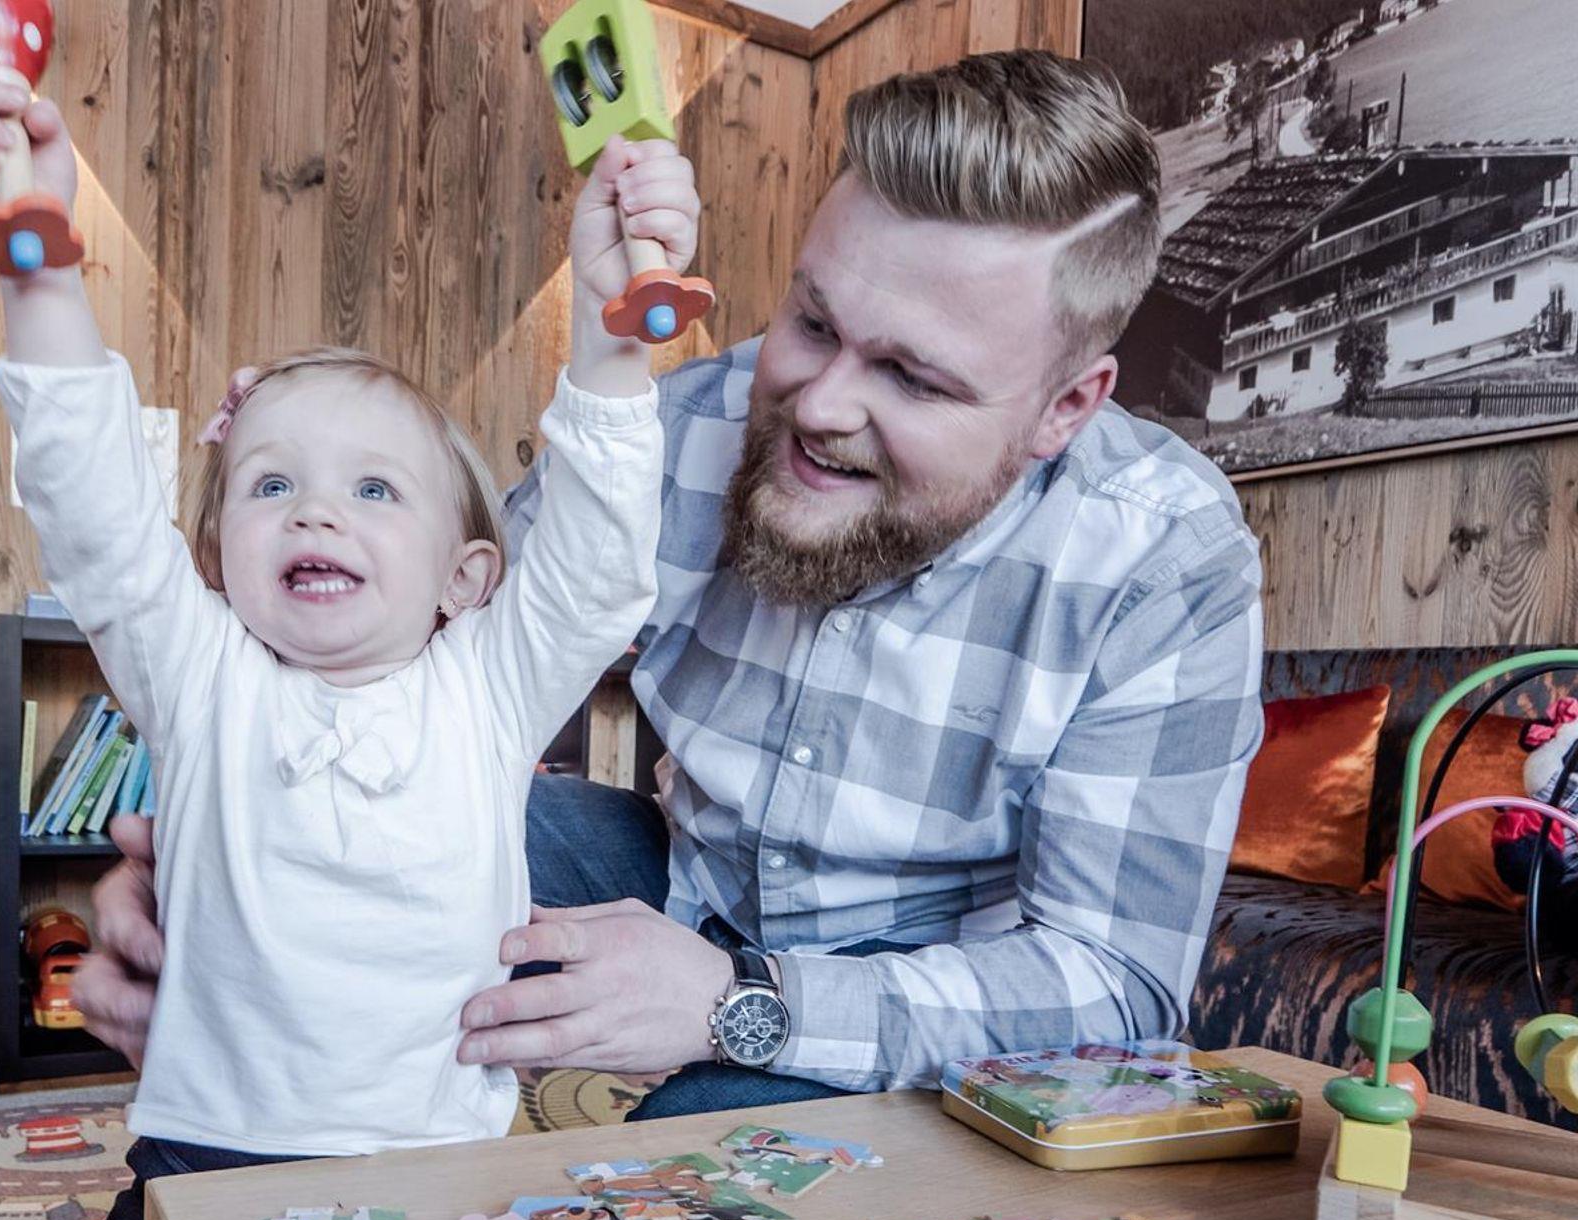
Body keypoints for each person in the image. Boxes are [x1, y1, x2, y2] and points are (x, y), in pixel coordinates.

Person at [78, 51, 1263, 1125]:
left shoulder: (1161, 557)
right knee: (381, 837)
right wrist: (215, 845)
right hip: (677, 871)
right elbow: (406, 646)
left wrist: (735, 999)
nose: (817, 404)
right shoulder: (679, 428)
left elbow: (1113, 983)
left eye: (909, 377)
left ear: (1065, 406)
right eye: (811, 321)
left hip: (916, 981)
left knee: (693, 1149)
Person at [0, 60, 699, 1220]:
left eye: (374, 490)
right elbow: (92, 511)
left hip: (441, 1197)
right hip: (190, 1191)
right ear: (218, 552)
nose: (317, 509)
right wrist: (37, 262)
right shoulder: (203, 675)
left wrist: (614, 338)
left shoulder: (490, 684)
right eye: (270, 484)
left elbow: (599, 565)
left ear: (468, 575)